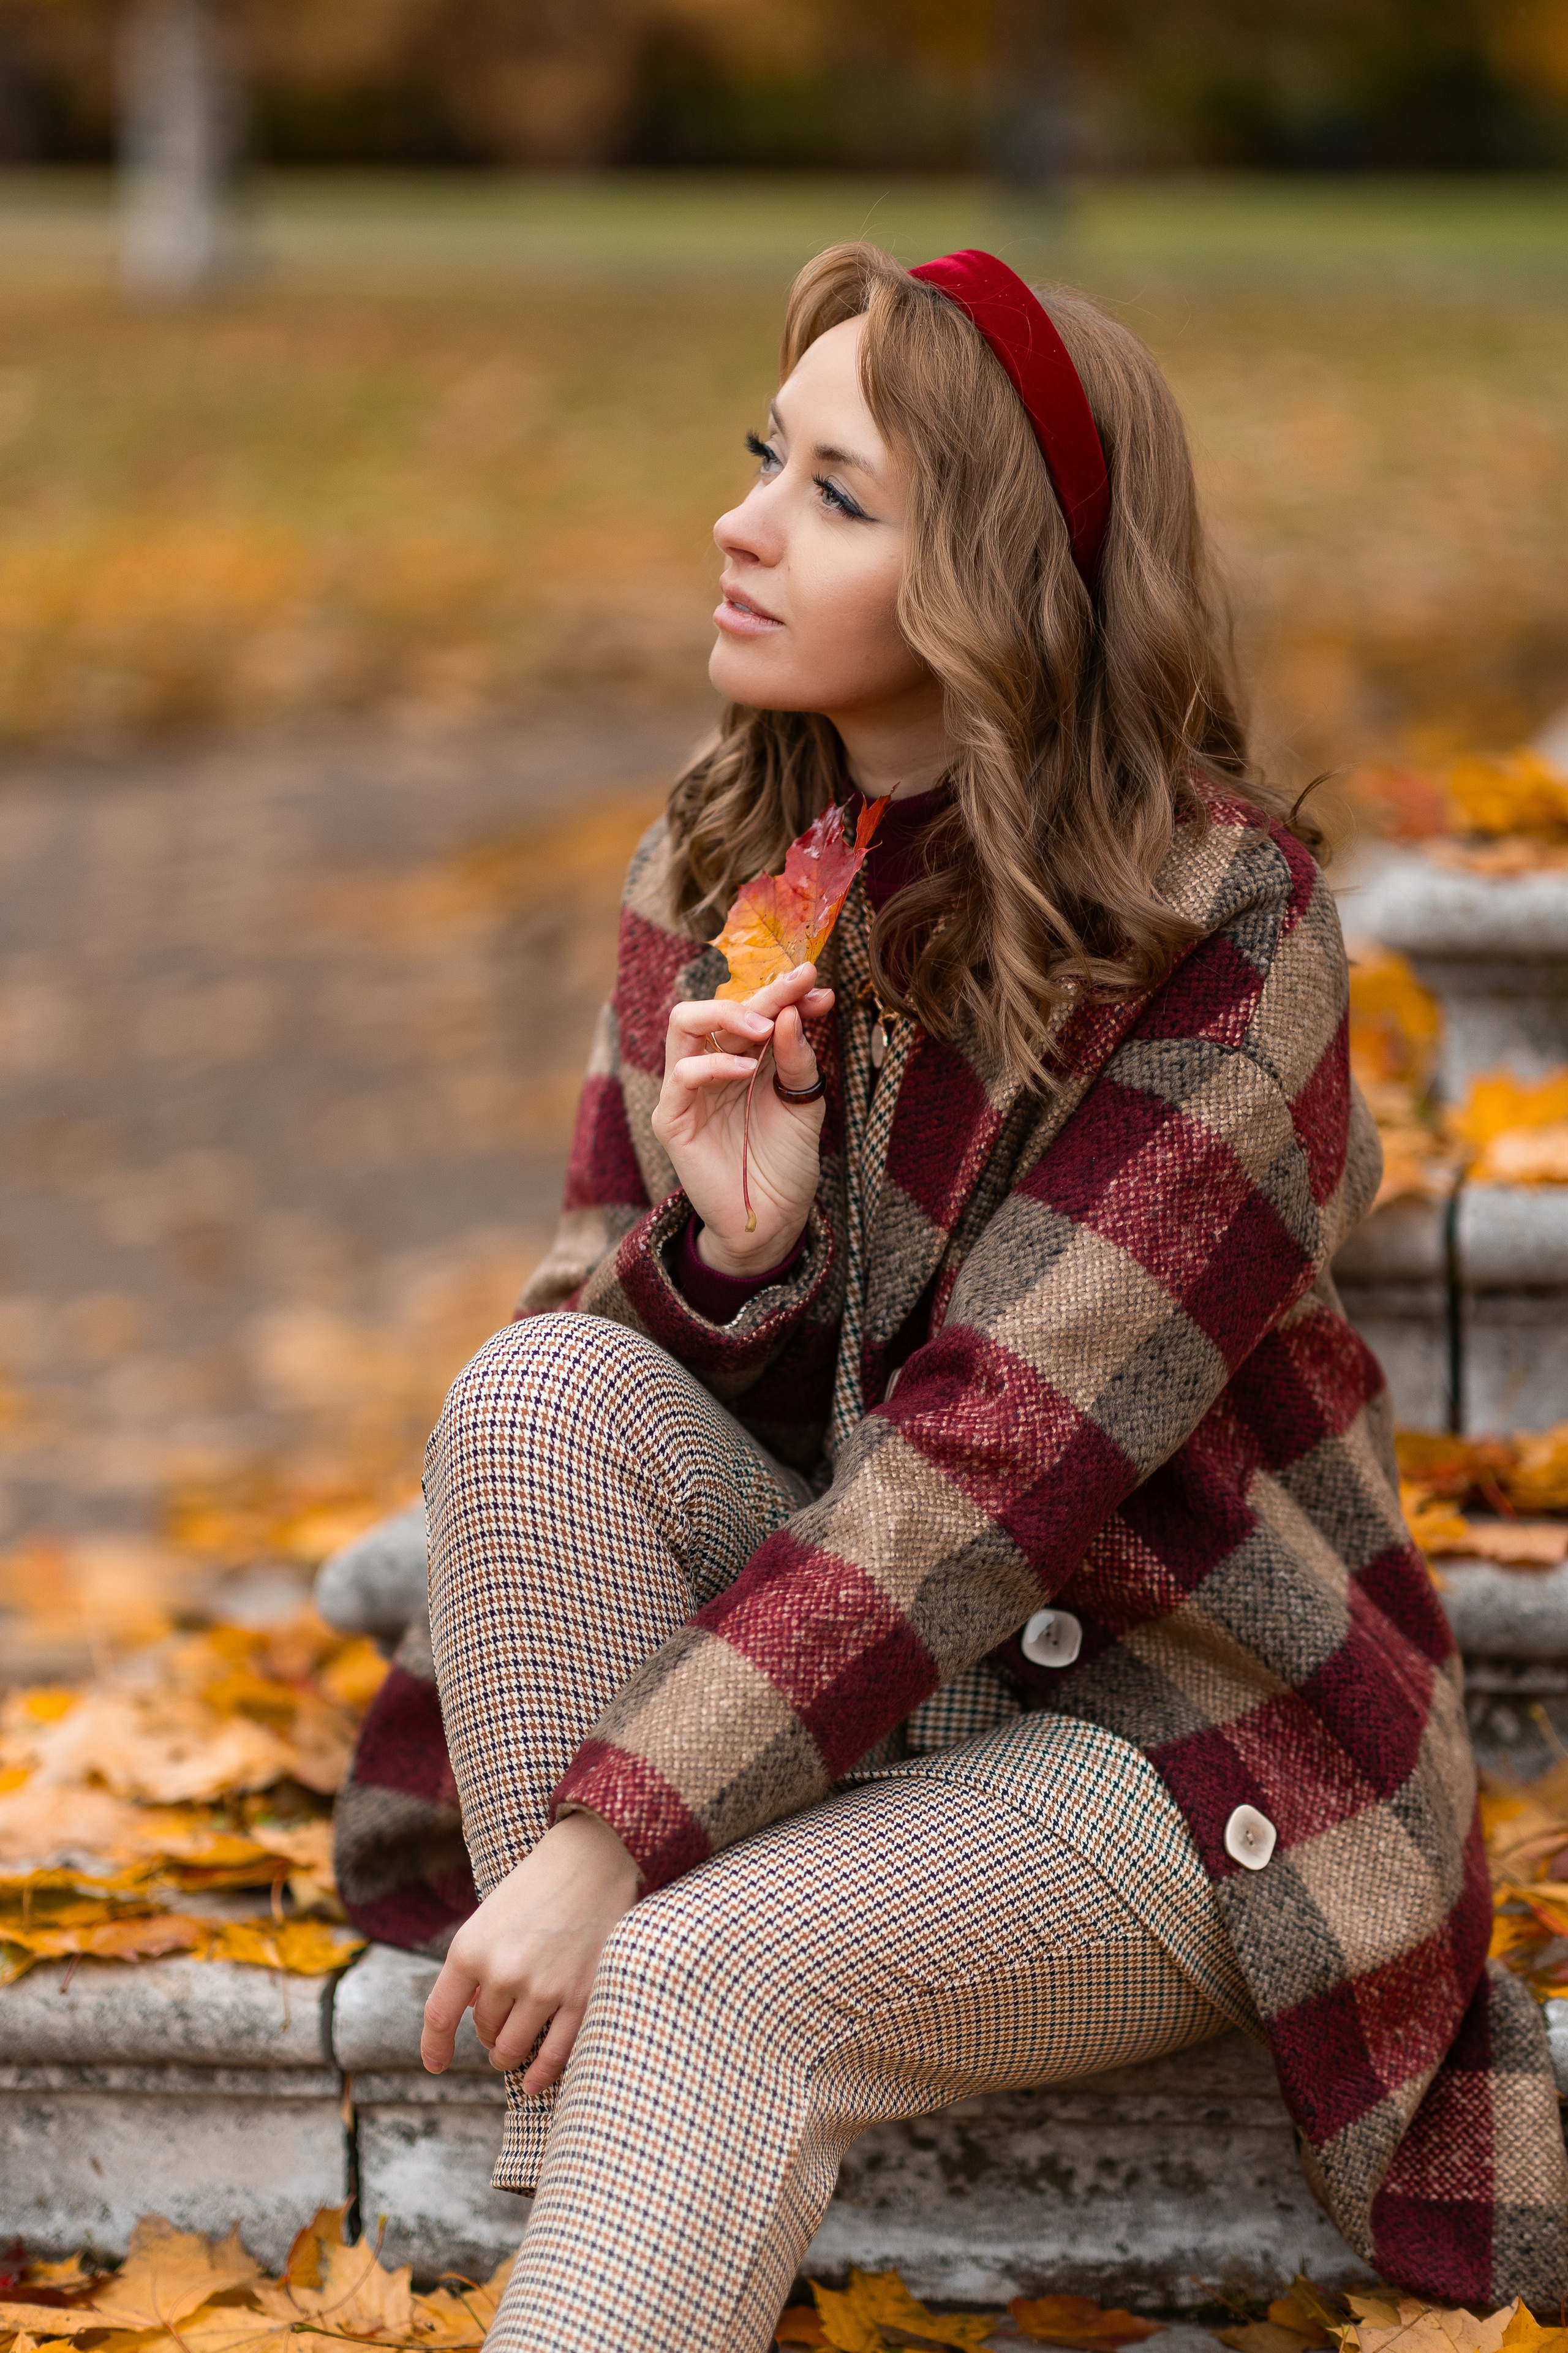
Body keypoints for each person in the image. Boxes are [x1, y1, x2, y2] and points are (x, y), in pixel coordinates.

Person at [379, 243, 1567, 2338]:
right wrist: (734, 1254)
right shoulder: (723, 861)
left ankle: (632, 2174)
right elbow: (590, 1347)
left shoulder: (1221, 930)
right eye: (770, 458)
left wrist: (607, 1840)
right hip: (837, 1691)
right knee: (527, 1402)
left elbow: (1002, 1460)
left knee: (677, 1957)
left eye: (837, 495)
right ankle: (631, 2201)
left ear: (1000, 585)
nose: (743, 523)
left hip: (1165, 1718)